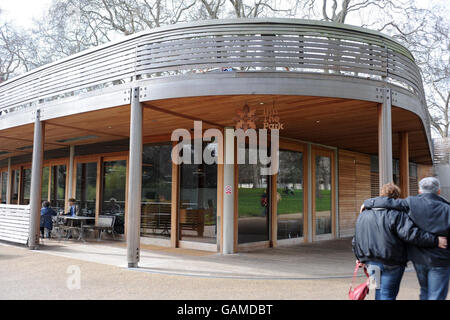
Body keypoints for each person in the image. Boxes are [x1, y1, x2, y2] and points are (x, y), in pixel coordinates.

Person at [353, 183, 447, 300]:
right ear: (396, 197)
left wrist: (359, 257)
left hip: (371, 262)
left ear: (381, 194)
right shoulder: (397, 214)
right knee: (387, 294)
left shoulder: (364, 213)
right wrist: (435, 240)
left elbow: (356, 238)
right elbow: (412, 234)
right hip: (392, 262)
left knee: (378, 291)